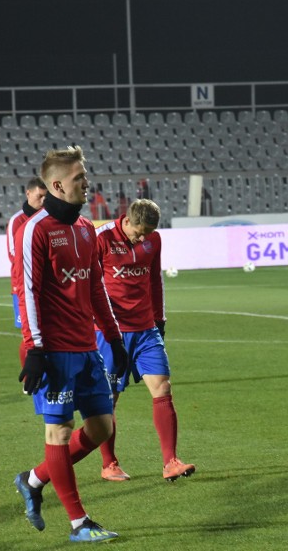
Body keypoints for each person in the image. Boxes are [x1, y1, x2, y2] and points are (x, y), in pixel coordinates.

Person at [12, 146, 128, 543]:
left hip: (87, 348)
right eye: (80, 177)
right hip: (53, 351)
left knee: (100, 428)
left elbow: (96, 288)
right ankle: (80, 523)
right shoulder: (36, 230)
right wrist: (36, 349)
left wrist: (114, 338)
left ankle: (33, 479)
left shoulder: (84, 229)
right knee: (58, 434)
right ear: (58, 185)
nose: (87, 182)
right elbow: (26, 291)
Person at [94, 198, 196, 482]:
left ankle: (170, 462)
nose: (142, 238)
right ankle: (109, 464)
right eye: (139, 232)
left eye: (148, 233)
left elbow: (154, 280)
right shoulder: (101, 239)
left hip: (146, 329)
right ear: (126, 219)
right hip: (110, 332)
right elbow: (93, 287)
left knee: (163, 387)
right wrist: (108, 328)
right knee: (109, 400)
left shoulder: (154, 240)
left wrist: (160, 320)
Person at [6, 176, 47, 343]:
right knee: (28, 333)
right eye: (40, 196)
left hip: (46, 286)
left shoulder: (48, 218)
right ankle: (32, 365)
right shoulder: (17, 220)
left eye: (46, 197)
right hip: (23, 286)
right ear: (28, 193)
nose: (43, 201)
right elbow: (13, 253)